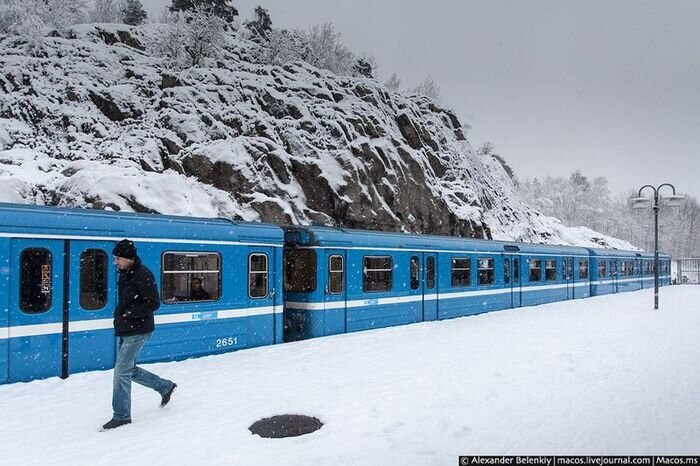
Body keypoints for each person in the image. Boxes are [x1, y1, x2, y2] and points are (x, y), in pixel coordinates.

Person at [102, 239, 177, 431]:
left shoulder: (142, 275)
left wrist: (129, 314)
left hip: (139, 330)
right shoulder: (126, 273)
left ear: (128, 258)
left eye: (118, 258)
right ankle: (165, 387)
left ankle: (121, 416)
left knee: (121, 372)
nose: (115, 262)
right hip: (126, 329)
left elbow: (153, 303)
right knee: (129, 369)